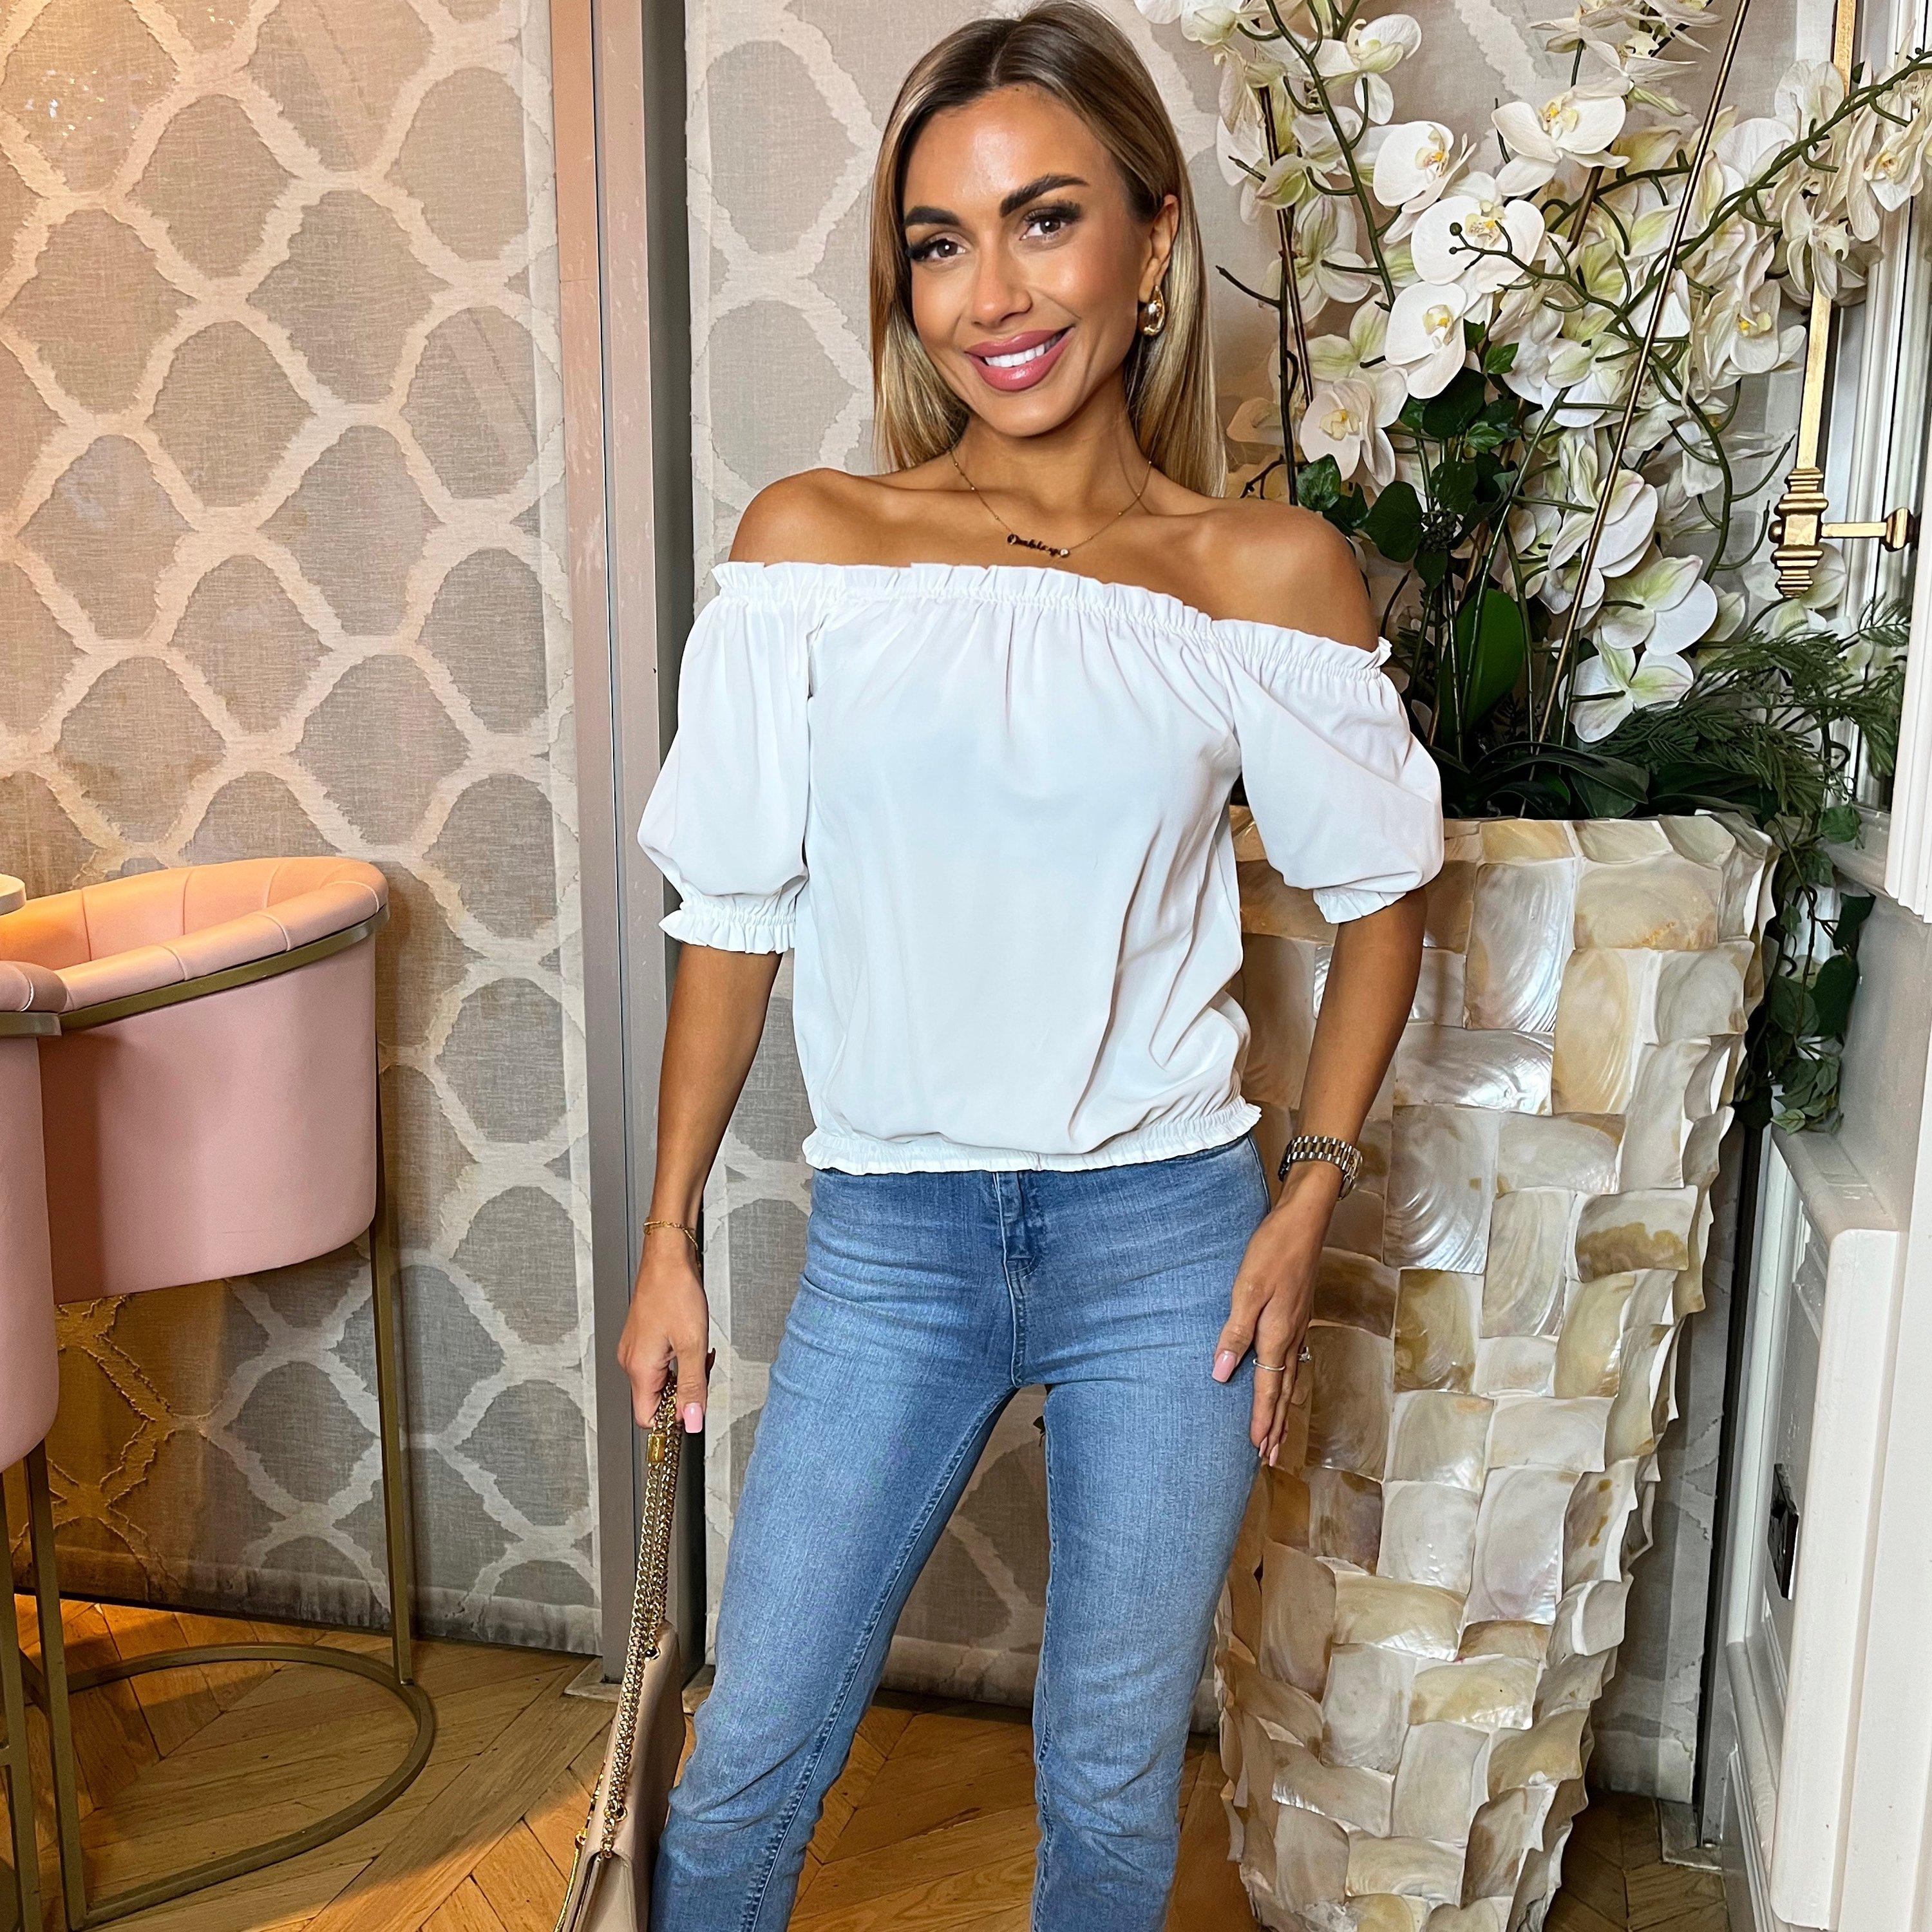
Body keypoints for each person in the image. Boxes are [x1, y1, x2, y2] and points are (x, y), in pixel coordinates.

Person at [623, 5, 1443, 1926]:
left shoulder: (1262, 576)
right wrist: (668, 1237)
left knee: (1108, 1787)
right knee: (744, 1770)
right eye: (939, 242)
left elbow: (1383, 903)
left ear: (1155, 247)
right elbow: (733, 914)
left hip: (1167, 1247)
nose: (988, 294)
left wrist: (1308, 1194)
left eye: (1045, 220)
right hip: (893, 1243)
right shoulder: (813, 550)